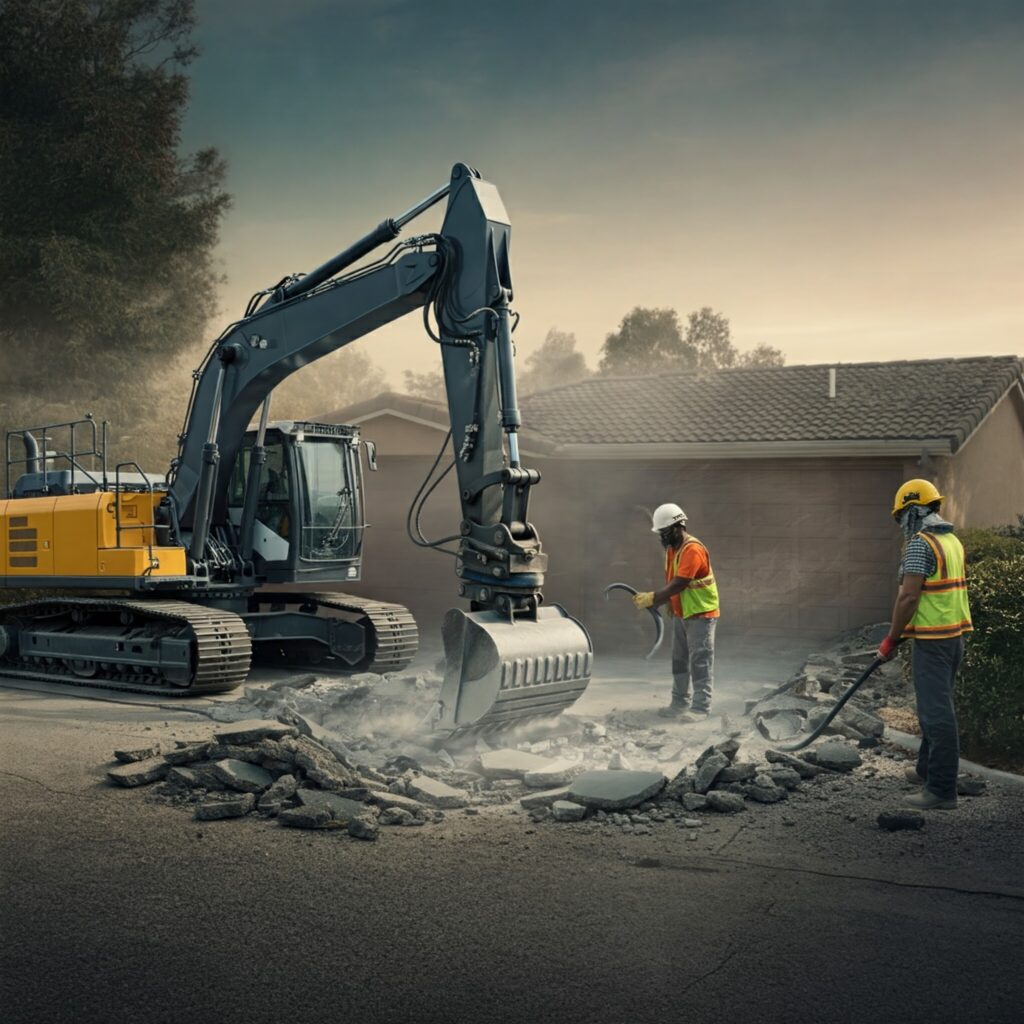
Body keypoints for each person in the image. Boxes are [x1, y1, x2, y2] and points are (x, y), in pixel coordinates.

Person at [877, 478, 972, 810]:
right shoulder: (952, 541)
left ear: (912, 512)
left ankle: (942, 790)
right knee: (936, 708)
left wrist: (891, 638)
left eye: (901, 516)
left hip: (934, 640)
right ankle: (926, 770)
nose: (901, 524)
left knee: (935, 714)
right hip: (953, 637)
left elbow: (908, 597)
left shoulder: (921, 544)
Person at [633, 503, 720, 722]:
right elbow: (673, 580)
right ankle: (679, 703)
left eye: (663, 532)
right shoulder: (673, 549)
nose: (661, 537)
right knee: (679, 660)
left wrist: (654, 598)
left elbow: (680, 583)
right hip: (683, 612)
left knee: (700, 660)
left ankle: (700, 708)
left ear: (677, 527)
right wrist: (669, 603)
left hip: (701, 614)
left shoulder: (692, 549)